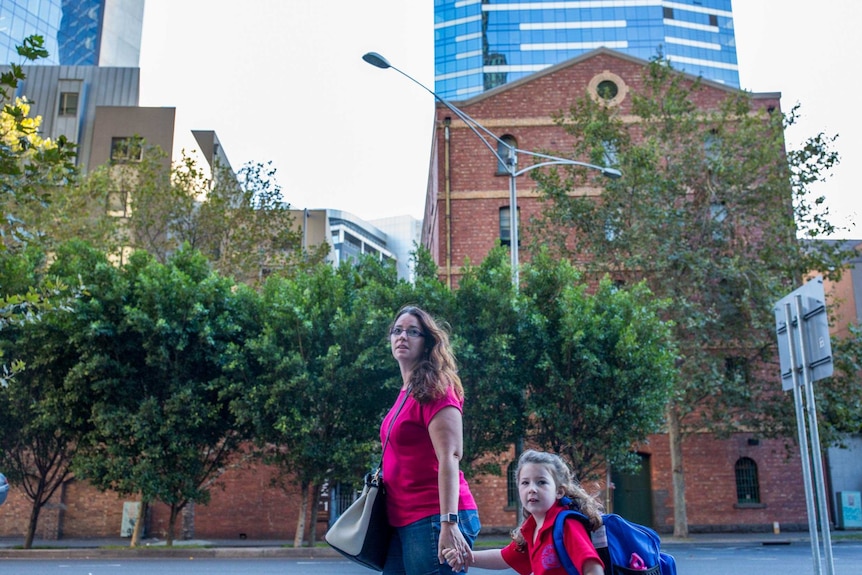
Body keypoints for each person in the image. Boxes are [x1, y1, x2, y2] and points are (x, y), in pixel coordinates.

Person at [381, 305, 481, 575]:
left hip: (433, 517)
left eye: (413, 331)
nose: (402, 336)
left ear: (427, 343)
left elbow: (450, 456)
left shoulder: (437, 388)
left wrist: (449, 523)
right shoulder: (406, 391)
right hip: (403, 519)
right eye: (397, 331)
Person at [444, 449, 604, 575]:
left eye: (541, 482)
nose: (532, 489)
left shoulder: (566, 524)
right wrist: (465, 556)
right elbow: (504, 558)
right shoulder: (532, 528)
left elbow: (593, 568)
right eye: (525, 483)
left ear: (559, 492)